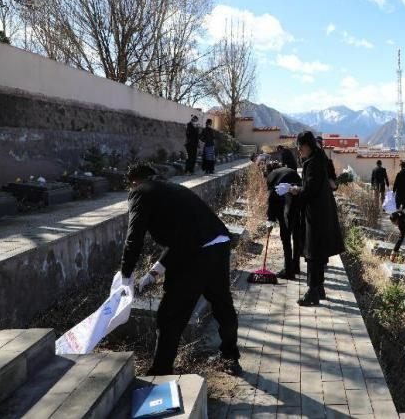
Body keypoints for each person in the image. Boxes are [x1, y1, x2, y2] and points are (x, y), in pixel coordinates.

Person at [118, 162, 241, 376]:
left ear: (134, 182)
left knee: (171, 314)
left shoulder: (140, 192)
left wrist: (125, 275)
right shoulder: (173, 189)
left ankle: (161, 371)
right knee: (222, 304)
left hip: (196, 254)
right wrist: (154, 272)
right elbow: (183, 235)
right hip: (219, 244)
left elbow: (134, 239)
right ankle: (230, 357)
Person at [290, 131, 345, 306]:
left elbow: (310, 190)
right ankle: (319, 288)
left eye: (300, 147)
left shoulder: (313, 163)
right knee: (319, 251)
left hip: (315, 213)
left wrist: (297, 190)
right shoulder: (320, 158)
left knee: (313, 252)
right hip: (323, 210)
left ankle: (312, 292)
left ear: (307, 146)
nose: (299, 151)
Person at [265, 160, 302, 279]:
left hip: (287, 204)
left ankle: (289, 271)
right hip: (299, 200)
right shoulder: (289, 170)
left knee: (285, 237)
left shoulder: (271, 176)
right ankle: (296, 266)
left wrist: (270, 220)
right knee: (296, 235)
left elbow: (272, 200)